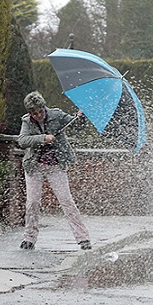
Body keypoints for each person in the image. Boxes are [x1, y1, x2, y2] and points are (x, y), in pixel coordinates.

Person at [18, 91, 91, 250]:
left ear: (44, 107)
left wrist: (80, 117)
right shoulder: (27, 122)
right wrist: (43, 138)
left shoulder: (57, 115)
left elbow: (77, 126)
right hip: (34, 166)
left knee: (66, 200)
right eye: (34, 113)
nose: (38, 115)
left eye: (40, 111)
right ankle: (29, 238)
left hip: (55, 165)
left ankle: (83, 238)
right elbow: (22, 141)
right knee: (33, 203)